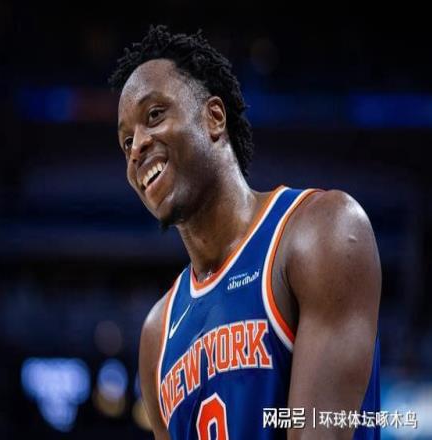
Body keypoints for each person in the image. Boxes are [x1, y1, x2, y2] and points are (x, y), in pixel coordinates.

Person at [109, 25, 381, 440]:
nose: (137, 147)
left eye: (155, 115)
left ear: (214, 117)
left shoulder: (321, 230)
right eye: (126, 141)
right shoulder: (157, 334)